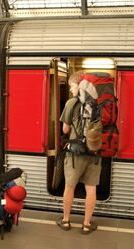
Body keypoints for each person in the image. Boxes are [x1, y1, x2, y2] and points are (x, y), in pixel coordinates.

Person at [57, 71, 101, 235]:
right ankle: (87, 224)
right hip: (94, 153)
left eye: (72, 86)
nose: (71, 90)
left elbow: (65, 129)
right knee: (91, 189)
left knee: (70, 186)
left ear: (80, 85)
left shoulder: (71, 103)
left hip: (75, 153)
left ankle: (66, 220)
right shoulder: (99, 104)